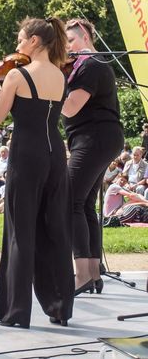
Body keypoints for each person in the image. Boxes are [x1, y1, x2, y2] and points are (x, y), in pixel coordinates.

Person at [0, 16, 74, 328]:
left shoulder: (18, 75)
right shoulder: (61, 75)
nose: (17, 46)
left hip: (26, 154)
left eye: (21, 39)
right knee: (54, 230)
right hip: (55, 155)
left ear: (34, 41)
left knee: (20, 232)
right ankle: (60, 305)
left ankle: (16, 311)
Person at [62, 18, 125, 296]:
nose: (67, 50)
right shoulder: (82, 66)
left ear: (85, 36)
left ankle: (83, 275)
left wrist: (46, 90)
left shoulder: (90, 64)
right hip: (98, 138)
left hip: (94, 138)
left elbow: (71, 108)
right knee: (85, 204)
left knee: (69, 201)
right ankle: (94, 274)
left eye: (71, 42)